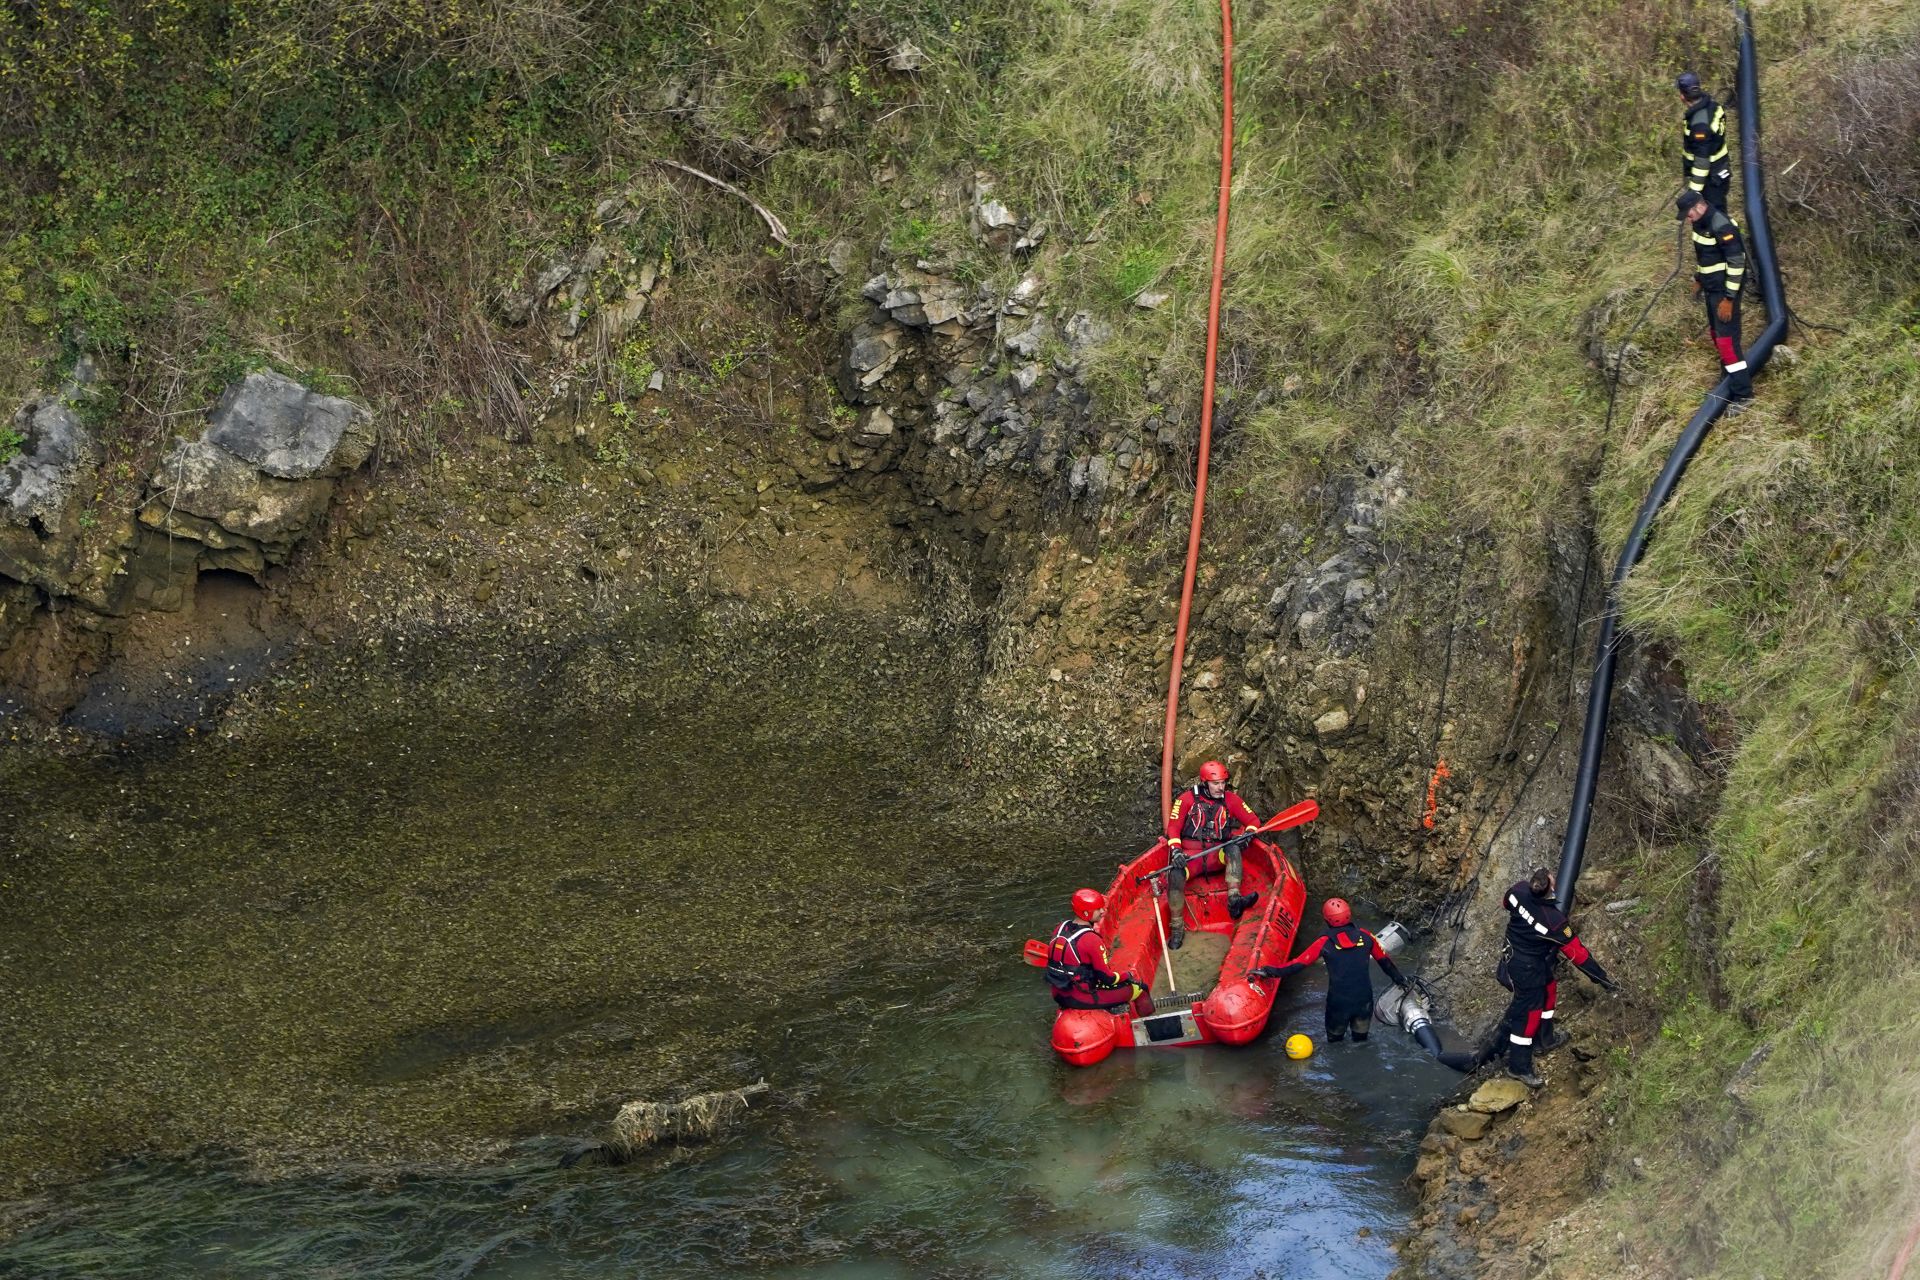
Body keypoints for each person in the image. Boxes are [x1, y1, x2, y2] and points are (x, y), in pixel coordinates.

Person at [1492, 867, 1616, 1087]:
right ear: (1551, 888)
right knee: (1528, 1013)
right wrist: (1603, 980)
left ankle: (1544, 1040)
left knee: (1549, 989)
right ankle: (1518, 1067)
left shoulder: (1517, 891)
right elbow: (1579, 955)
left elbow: (1505, 903)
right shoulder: (1553, 921)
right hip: (1526, 969)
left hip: (1515, 956)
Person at [1252, 898, 1407, 1042]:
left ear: (1327, 920)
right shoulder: (1366, 937)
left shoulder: (1324, 942)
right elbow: (1386, 963)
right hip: (1364, 1001)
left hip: (1338, 1004)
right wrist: (1401, 980)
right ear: (1349, 915)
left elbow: (1297, 964)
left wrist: (1268, 971)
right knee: (1361, 1042)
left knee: (1335, 1043)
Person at [1163, 760, 1261, 949]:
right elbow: (1173, 827)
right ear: (1204, 782)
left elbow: (1253, 820)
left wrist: (1248, 834)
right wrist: (1176, 850)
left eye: (1223, 783)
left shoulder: (1231, 799)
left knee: (1233, 847)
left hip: (1218, 855)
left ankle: (1234, 900)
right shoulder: (1186, 799)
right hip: (1192, 856)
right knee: (1175, 874)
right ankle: (1176, 929)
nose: (1220, 787)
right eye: (1216, 784)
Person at [1679, 190, 1753, 408]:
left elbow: (1737, 264)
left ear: (1699, 207)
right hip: (1712, 289)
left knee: (1727, 343)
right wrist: (1699, 278)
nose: (1687, 219)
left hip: (1724, 292)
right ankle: (1728, 378)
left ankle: (1743, 395)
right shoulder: (1699, 223)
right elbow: (1706, 256)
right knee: (1716, 335)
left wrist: (1729, 298)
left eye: (1688, 214)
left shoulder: (1722, 225)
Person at [1044, 888, 1155, 1017]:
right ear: (1086, 913)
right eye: (1098, 909)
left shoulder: (1061, 928)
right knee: (1140, 988)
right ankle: (1150, 1023)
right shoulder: (1091, 939)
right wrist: (1127, 976)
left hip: (1057, 993)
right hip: (1079, 997)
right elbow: (1108, 978)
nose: (1103, 911)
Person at [1676, 71, 1732, 214]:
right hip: (1720, 170)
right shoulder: (1712, 105)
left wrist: (1694, 190)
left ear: (1682, 96)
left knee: (1715, 216)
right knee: (1717, 213)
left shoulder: (1699, 124)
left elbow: (1702, 161)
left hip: (1711, 179)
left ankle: (1729, 235)